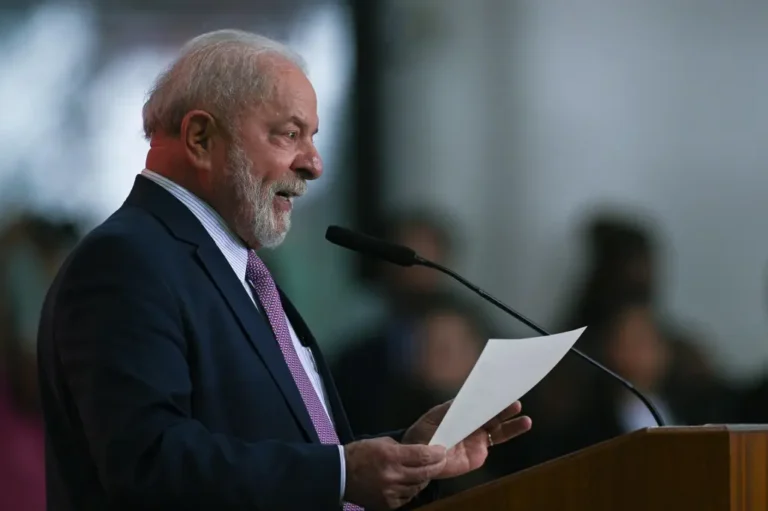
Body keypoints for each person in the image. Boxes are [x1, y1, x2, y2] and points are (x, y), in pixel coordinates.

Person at [36, 29, 532, 511]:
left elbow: (275, 440)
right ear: (201, 137)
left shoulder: (241, 266)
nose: (314, 164)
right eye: (290, 134)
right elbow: (148, 464)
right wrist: (341, 475)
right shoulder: (126, 262)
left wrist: (409, 455)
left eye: (312, 137)